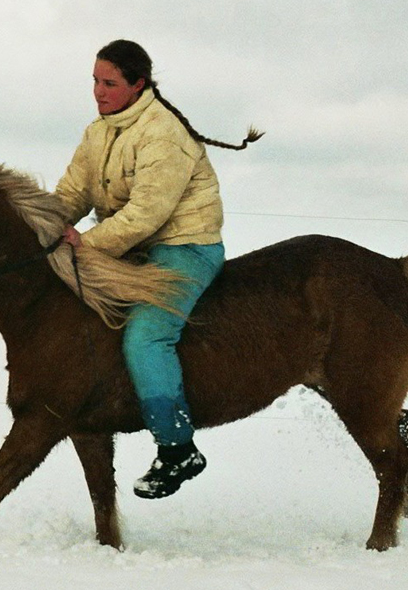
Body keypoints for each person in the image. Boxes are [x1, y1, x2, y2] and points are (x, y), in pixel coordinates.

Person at [55, 39, 262, 499]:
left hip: (183, 248)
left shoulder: (163, 133)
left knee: (146, 336)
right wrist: (45, 223)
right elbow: (73, 193)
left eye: (110, 83)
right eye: (95, 80)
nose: (98, 91)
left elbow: (146, 214)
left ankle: (177, 448)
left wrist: (85, 242)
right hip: (129, 246)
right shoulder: (98, 132)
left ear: (138, 85)